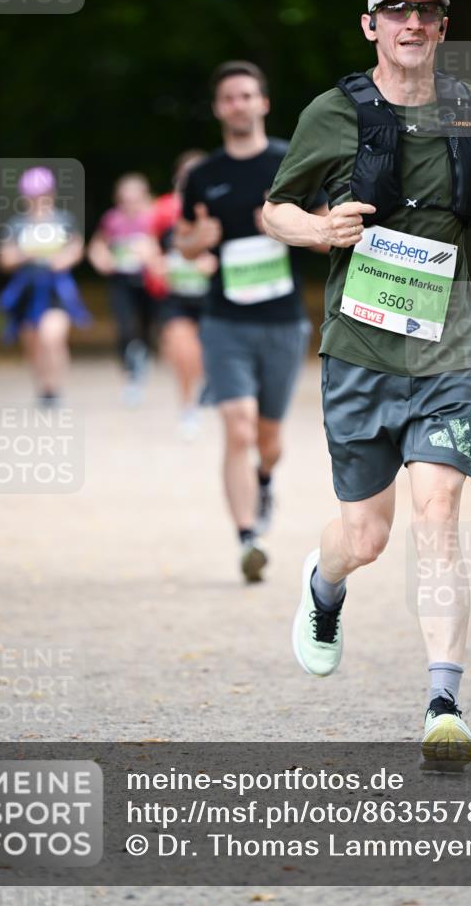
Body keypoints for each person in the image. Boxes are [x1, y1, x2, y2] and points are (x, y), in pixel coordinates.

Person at [263, 0, 471, 763]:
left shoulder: (469, 106)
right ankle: (323, 582)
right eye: (396, 11)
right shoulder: (333, 113)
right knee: (365, 537)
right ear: (370, 25)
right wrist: (317, 230)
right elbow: (273, 209)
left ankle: (444, 703)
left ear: (442, 26)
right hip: (360, 353)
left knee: (437, 514)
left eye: (426, 12)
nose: (412, 23)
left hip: (449, 352)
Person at [176, 61, 326, 583]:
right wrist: (197, 241)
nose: (237, 104)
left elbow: (326, 232)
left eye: (246, 95)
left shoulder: (291, 162)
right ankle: (247, 539)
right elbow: (183, 241)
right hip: (224, 321)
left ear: (263, 102)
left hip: (283, 322)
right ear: (218, 109)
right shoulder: (203, 175)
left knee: (268, 439)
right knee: (237, 427)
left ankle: (264, 480)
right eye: (228, 98)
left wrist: (285, 226)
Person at [0, 166, 90, 407]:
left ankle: (55, 387)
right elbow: (4, 259)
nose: (38, 200)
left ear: (52, 194)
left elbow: (76, 249)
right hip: (27, 289)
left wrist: (63, 259)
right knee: (33, 342)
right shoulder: (17, 225)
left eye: (43, 194)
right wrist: (26, 254)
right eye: (33, 195)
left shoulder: (64, 221)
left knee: (52, 337)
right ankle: (43, 387)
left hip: (56, 288)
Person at [148, 150, 216, 440]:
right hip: (176, 298)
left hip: (213, 299)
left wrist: (212, 264)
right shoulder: (165, 215)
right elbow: (150, 248)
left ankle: (205, 387)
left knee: (201, 354)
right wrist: (158, 264)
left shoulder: (220, 211)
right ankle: (188, 407)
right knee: (182, 351)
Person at [88, 174, 163, 405]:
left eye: (134, 199)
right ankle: (130, 375)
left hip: (148, 281)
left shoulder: (154, 217)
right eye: (125, 200)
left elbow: (166, 246)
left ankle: (143, 357)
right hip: (120, 281)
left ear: (145, 197)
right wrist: (102, 258)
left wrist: (151, 254)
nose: (130, 204)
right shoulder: (112, 219)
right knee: (124, 327)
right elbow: (98, 244)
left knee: (147, 326)